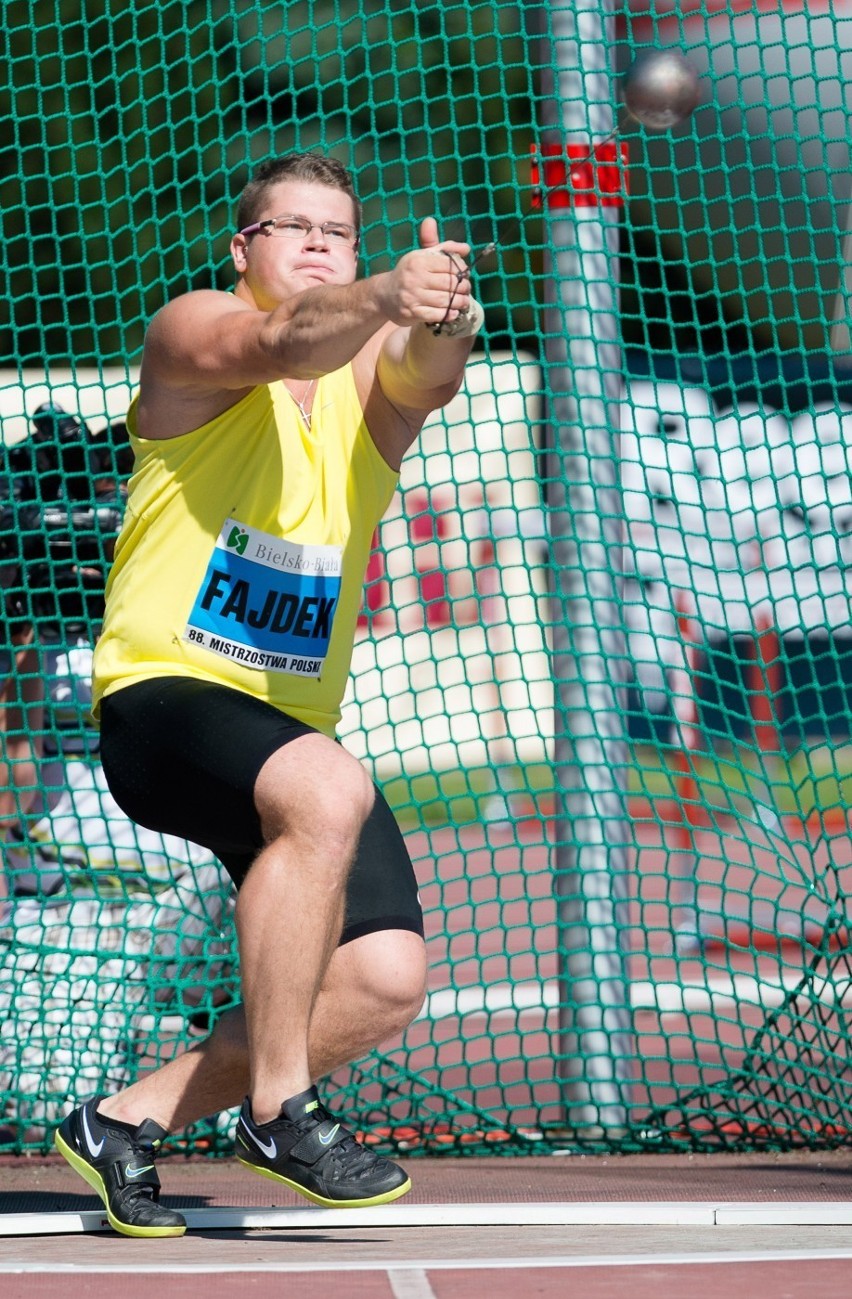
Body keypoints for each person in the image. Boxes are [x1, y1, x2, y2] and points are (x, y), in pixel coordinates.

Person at [54, 151, 483, 1238]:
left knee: (384, 978)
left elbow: (429, 374)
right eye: (289, 227)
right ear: (242, 250)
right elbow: (282, 338)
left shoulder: (365, 399)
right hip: (164, 699)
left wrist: (440, 313)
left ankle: (121, 1123)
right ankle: (281, 1111)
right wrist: (388, 291)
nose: (316, 243)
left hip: (284, 733)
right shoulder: (193, 332)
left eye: (337, 231)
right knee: (328, 793)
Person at [0, 403, 236, 1141]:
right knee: (46, 1112)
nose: (79, 536)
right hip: (73, 913)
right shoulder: (18, 638)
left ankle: (245, 1068)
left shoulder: (186, 595)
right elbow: (13, 794)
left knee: (315, 889)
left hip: (199, 895)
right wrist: (26, 619)